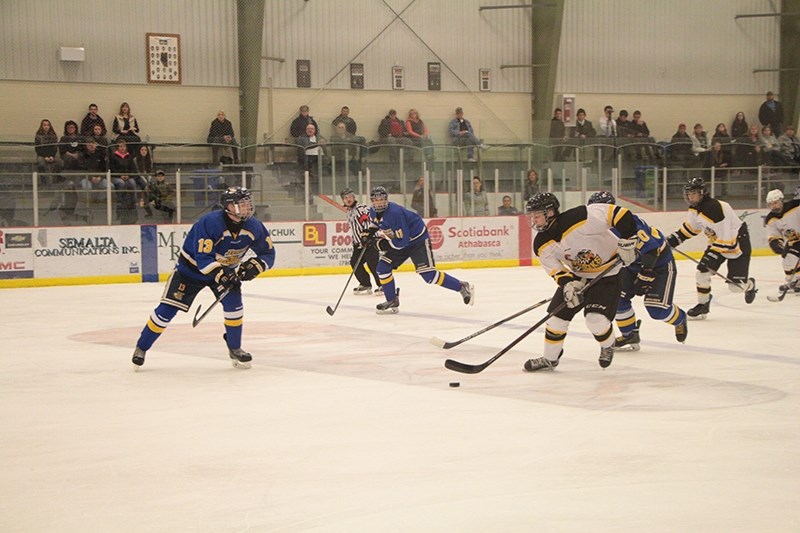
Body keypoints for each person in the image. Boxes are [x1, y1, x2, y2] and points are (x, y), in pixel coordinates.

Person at [131, 186, 275, 371]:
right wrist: (223, 274)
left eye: (248, 203)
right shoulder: (210, 223)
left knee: (234, 308)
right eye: (242, 204)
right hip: (189, 272)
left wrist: (255, 266)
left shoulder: (254, 226)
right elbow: (203, 258)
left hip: (224, 272)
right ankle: (141, 347)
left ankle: (234, 347)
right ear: (229, 207)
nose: (247, 207)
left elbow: (268, 253)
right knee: (166, 311)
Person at [522, 192, 638, 372]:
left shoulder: (579, 217)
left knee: (595, 320)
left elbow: (620, 214)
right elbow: (556, 270)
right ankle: (550, 359)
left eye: (536, 215)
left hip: (608, 274)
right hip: (578, 276)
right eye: (532, 216)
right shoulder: (541, 243)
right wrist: (568, 284)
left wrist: (628, 241)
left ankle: (607, 345)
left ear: (550, 212)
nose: (533, 220)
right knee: (555, 319)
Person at [587, 191, 688, 351]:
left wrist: (644, 275)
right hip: (631, 264)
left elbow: (651, 250)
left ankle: (680, 318)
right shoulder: (594, 229)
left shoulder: (627, 223)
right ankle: (629, 335)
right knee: (619, 299)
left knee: (657, 310)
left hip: (658, 263)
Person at [365, 186, 473, 314]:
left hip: (417, 241)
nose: (378, 202)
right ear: (372, 201)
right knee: (382, 268)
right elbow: (376, 222)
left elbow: (402, 242)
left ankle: (461, 286)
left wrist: (381, 244)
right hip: (400, 241)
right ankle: (391, 300)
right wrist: (367, 233)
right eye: (375, 200)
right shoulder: (372, 211)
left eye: (381, 199)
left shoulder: (395, 213)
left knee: (429, 276)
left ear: (386, 199)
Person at [665, 177, 756, 319]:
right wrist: (671, 241)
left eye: (693, 193)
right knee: (702, 272)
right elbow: (689, 230)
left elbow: (727, 237)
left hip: (737, 242)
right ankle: (703, 305)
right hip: (718, 242)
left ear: (702, 193)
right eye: (688, 194)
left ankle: (749, 285)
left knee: (736, 287)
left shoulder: (716, 208)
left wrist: (710, 256)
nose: (690, 196)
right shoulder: (694, 209)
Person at [340, 188, 381, 295]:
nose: (348, 199)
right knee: (355, 262)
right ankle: (365, 283)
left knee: (373, 265)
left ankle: (383, 285)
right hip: (359, 244)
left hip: (369, 242)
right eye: (345, 198)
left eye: (349, 197)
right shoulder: (349, 212)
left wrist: (366, 236)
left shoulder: (361, 208)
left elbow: (368, 221)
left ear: (354, 197)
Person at [764, 189, 800, 295]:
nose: (774, 206)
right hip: (793, 242)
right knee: (787, 260)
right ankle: (794, 281)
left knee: (792, 257)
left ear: (781, 200)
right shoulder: (771, 218)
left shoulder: (796, 206)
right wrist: (776, 244)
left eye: (775, 203)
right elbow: (773, 235)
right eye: (771, 204)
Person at [108, 139, 138, 224]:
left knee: (132, 183)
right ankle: (120, 203)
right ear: (117, 148)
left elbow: (133, 169)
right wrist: (120, 176)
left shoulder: (129, 157)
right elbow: (112, 169)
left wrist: (128, 175)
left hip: (128, 176)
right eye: (120, 146)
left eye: (124, 146)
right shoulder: (113, 157)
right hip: (116, 176)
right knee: (121, 183)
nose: (122, 148)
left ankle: (134, 203)